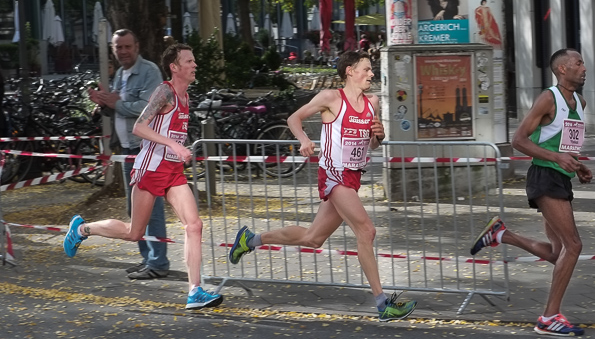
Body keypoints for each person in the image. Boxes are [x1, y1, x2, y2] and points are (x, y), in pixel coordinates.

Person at [228, 50, 416, 322]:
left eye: (371, 69)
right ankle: (382, 303)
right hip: (333, 175)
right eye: (367, 68)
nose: (371, 74)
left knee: (313, 238)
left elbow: (372, 144)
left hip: (353, 177)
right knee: (367, 230)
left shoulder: (372, 102)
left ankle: (249, 240)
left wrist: (379, 137)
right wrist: (304, 140)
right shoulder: (331, 98)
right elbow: (294, 118)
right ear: (350, 71)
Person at [65, 43, 223, 310]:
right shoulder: (165, 91)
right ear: (174, 67)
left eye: (194, 61)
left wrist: (177, 149)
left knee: (194, 226)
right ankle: (81, 229)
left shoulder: (186, 98)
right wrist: (173, 145)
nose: (194, 65)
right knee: (134, 233)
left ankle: (195, 291)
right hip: (150, 167)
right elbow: (139, 127)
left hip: (172, 171)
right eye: (189, 61)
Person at [470, 48, 592, 337]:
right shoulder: (549, 98)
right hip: (544, 176)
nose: (584, 67)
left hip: (561, 177)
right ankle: (549, 317)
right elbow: (518, 140)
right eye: (579, 63)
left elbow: (563, 146)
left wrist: (577, 166)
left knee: (558, 252)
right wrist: (557, 160)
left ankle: (502, 234)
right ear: (563, 69)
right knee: (574, 246)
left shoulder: (580, 103)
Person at [87, 29, 171, 280]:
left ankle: (158, 263)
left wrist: (115, 103)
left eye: (127, 47)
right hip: (127, 151)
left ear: (137, 46)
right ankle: (147, 259)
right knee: (135, 210)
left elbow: (150, 107)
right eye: (118, 48)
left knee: (150, 210)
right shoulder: (121, 74)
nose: (123, 52)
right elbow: (120, 109)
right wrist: (103, 105)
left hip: (146, 151)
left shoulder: (149, 71)